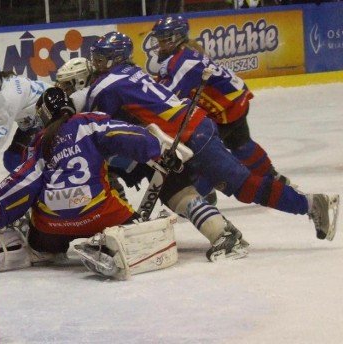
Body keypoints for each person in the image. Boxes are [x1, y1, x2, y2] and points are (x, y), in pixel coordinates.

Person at [84, 31, 339, 244]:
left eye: (99, 58)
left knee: (244, 186)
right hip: (194, 129)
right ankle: (216, 220)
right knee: (178, 187)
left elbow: (99, 129)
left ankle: (311, 204)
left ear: (114, 58)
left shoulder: (105, 86)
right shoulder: (134, 73)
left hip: (191, 135)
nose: (95, 63)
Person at [0, 87, 183, 276]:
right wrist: (159, 150)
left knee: (37, 236)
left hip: (52, 228)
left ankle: (38, 251)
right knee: (134, 225)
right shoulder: (89, 122)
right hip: (100, 215)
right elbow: (125, 135)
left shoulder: (39, 142)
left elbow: (22, 182)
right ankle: (112, 242)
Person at [56, 56, 251, 262]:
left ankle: (223, 233)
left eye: (68, 84)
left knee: (176, 193)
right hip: (152, 148)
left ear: (79, 81)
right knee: (175, 193)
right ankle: (221, 230)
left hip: (149, 150)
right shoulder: (109, 85)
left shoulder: (89, 95)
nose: (65, 90)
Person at [150, 14, 292, 202]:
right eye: (159, 40)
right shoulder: (182, 55)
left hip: (226, 109)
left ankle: (205, 194)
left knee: (195, 153)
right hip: (234, 100)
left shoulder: (182, 63)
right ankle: (274, 178)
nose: (160, 45)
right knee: (241, 144)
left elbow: (165, 95)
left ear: (176, 39)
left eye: (164, 40)